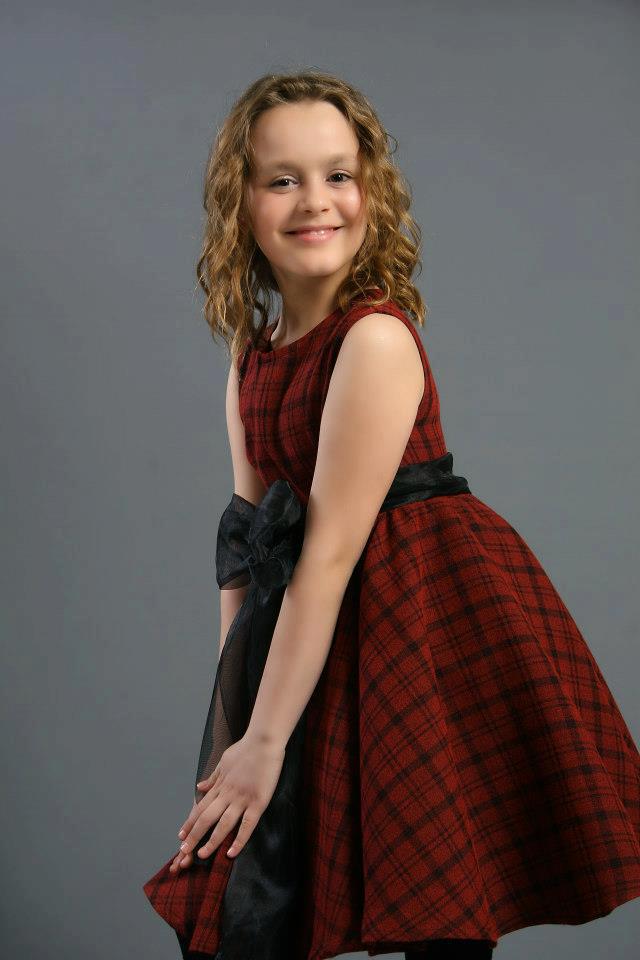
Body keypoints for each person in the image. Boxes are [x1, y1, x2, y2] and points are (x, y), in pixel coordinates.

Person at [142, 69, 640, 960]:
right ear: (241, 204)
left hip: (421, 625)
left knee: (437, 901)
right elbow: (247, 545)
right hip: (311, 632)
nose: (316, 201)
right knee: (239, 901)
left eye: (339, 174)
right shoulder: (252, 356)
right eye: (283, 179)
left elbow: (329, 554)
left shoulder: (373, 338)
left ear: (370, 189)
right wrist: (235, 730)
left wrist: (266, 739)